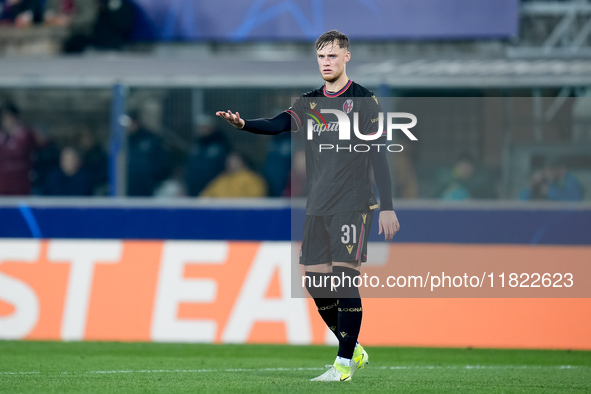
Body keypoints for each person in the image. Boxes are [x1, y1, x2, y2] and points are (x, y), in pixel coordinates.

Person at [217, 30, 400, 382]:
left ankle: (343, 365)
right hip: (318, 204)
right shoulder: (309, 102)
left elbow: (379, 154)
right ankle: (354, 348)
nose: (326, 62)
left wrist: (387, 206)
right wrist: (243, 125)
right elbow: (277, 124)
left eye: (332, 56)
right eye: (321, 57)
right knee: (317, 283)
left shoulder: (364, 101)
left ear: (347, 57)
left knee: (344, 278)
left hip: (353, 203)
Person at [125, 111, 171, 197]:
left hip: (147, 191)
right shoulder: (123, 142)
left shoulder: (151, 140)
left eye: (129, 123)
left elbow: (163, 164)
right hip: (127, 190)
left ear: (135, 122)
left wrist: (151, 180)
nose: (127, 127)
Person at [185, 115, 230, 197]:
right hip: (194, 187)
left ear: (212, 128)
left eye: (205, 127)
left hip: (213, 188)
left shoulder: (221, 145)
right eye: (200, 127)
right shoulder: (196, 145)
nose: (202, 130)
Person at [0, 101, 37, 195]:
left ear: (16, 118)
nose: (7, 121)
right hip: (3, 185)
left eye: (10, 117)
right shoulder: (2, 136)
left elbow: (20, 152)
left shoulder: (26, 135)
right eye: (5, 118)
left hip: (20, 184)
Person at [200, 152, 267, 198]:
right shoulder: (222, 179)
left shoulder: (252, 179)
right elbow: (206, 195)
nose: (231, 165)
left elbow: (256, 197)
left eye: (235, 162)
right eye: (229, 162)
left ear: (244, 163)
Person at [519, 158, 584, 201]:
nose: (547, 174)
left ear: (561, 169)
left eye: (550, 171)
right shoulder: (554, 184)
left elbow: (573, 201)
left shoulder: (570, 182)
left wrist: (550, 191)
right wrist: (532, 186)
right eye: (546, 172)